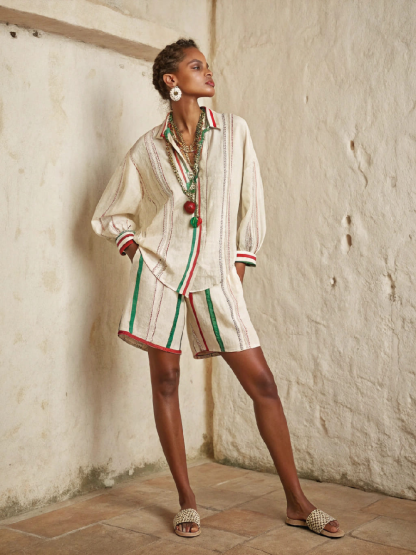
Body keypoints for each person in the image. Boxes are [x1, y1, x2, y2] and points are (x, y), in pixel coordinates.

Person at [91, 38, 344, 540]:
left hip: (215, 275)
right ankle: (186, 499)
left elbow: (252, 202)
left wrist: (238, 267)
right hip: (160, 275)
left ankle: (297, 502)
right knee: (166, 383)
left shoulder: (234, 132)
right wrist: (134, 251)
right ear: (172, 80)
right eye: (196, 66)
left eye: (207, 66)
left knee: (262, 384)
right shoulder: (147, 148)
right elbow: (111, 211)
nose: (208, 73)